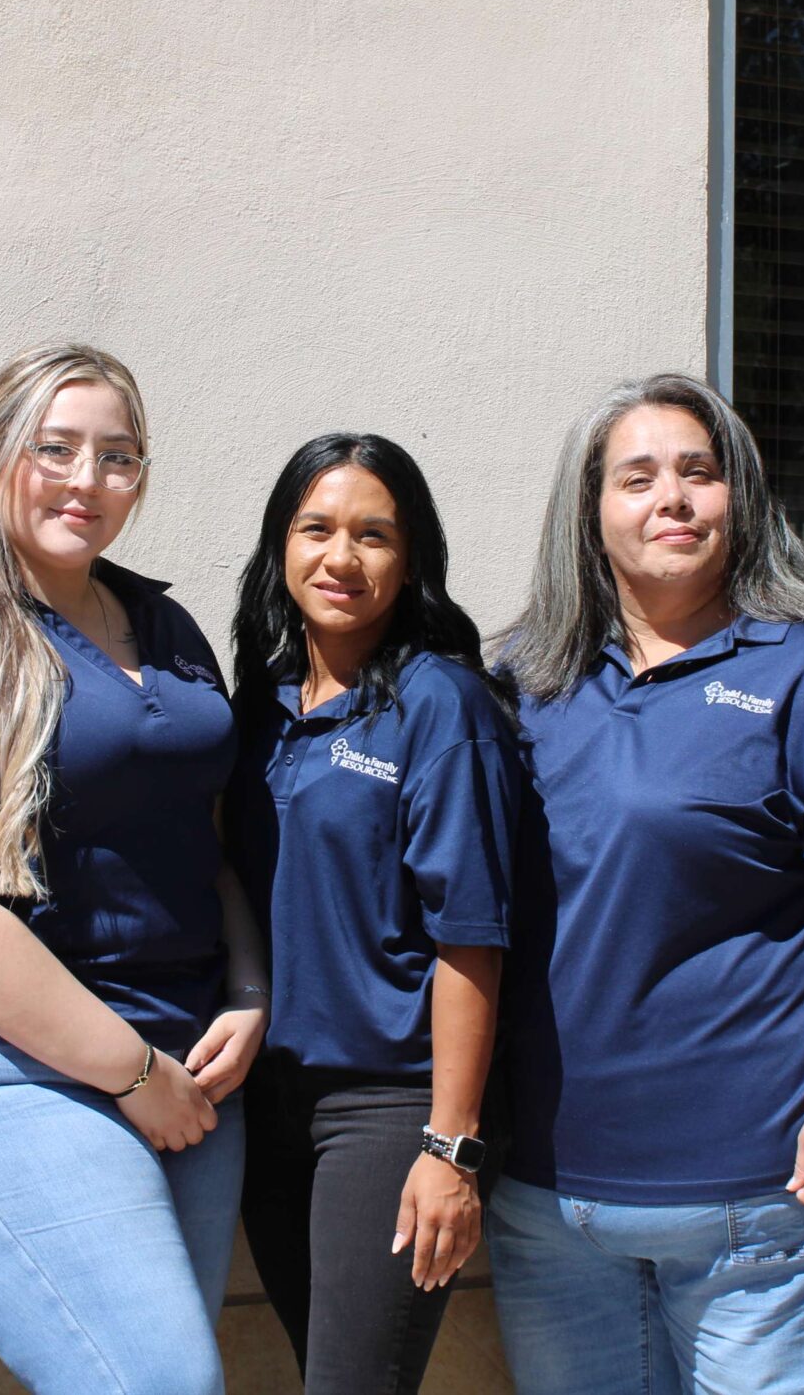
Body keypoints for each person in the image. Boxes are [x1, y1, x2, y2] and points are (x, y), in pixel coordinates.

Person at [485, 372, 804, 1395]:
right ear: (588, 510)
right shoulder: (522, 683)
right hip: (551, 1204)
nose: (673, 498)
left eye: (699, 473)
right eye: (638, 476)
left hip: (769, 1200)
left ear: (739, 498)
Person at [0, 343, 265, 1395]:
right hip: (15, 1076)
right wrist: (129, 1069)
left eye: (118, 455)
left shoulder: (163, 627)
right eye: (57, 448)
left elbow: (198, 835)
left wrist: (250, 992)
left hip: (195, 1068)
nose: (89, 479)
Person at [225, 433, 518, 1392]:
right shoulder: (260, 707)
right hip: (267, 1109)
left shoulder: (443, 704)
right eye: (315, 529)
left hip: (390, 1106)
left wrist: (450, 1144)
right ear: (280, 547)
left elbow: (470, 936)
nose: (340, 558)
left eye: (373, 535)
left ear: (412, 559)